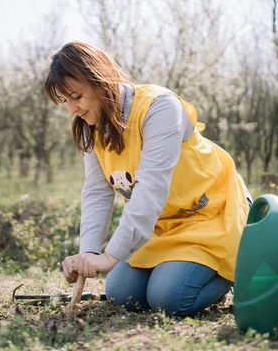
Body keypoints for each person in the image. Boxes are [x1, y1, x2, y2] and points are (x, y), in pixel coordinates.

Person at [45, 41, 252, 317]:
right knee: (122, 294)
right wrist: (89, 253)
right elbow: (96, 192)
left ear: (99, 81)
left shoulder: (159, 108)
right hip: (162, 225)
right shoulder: (90, 127)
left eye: (76, 96)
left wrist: (110, 256)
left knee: (168, 298)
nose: (71, 109)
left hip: (209, 214)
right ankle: (184, 271)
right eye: (65, 100)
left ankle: (232, 269)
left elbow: (151, 189)